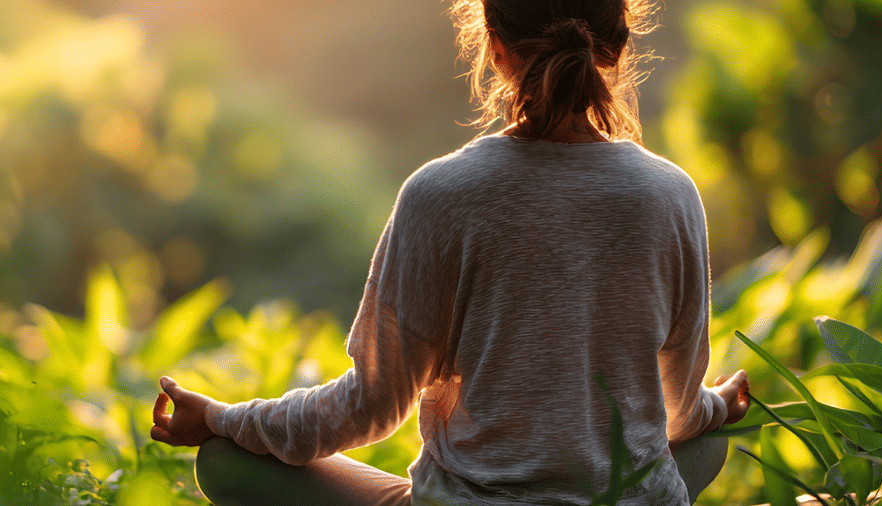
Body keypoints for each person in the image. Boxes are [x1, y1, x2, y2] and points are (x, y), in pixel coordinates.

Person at [150, 0, 751, 504]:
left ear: (494, 47)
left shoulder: (440, 195)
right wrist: (718, 407)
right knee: (711, 439)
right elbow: (678, 412)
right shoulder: (672, 196)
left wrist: (225, 419)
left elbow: (369, 407)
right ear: (619, 44)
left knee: (226, 462)